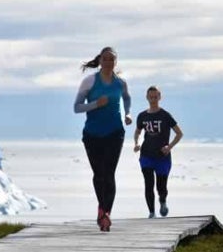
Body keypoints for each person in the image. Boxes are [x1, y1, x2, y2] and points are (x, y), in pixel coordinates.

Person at [73, 46, 132, 232]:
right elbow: (76, 107)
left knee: (110, 173)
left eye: (111, 59)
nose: (108, 62)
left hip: (115, 133)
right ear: (100, 61)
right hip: (92, 135)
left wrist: (128, 114)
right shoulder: (89, 82)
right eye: (105, 59)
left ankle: (105, 213)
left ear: (116, 62)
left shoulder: (120, 83)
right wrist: (96, 104)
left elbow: (127, 98)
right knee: (99, 174)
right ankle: (102, 208)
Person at [133, 85, 183, 218]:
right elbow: (137, 132)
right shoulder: (142, 116)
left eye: (155, 97)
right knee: (148, 184)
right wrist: (136, 143)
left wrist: (169, 147)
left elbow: (179, 133)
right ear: (147, 97)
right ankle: (151, 212)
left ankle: (163, 201)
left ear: (159, 97)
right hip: (146, 155)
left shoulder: (165, 115)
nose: (153, 99)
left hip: (162, 157)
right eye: (151, 97)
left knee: (161, 187)